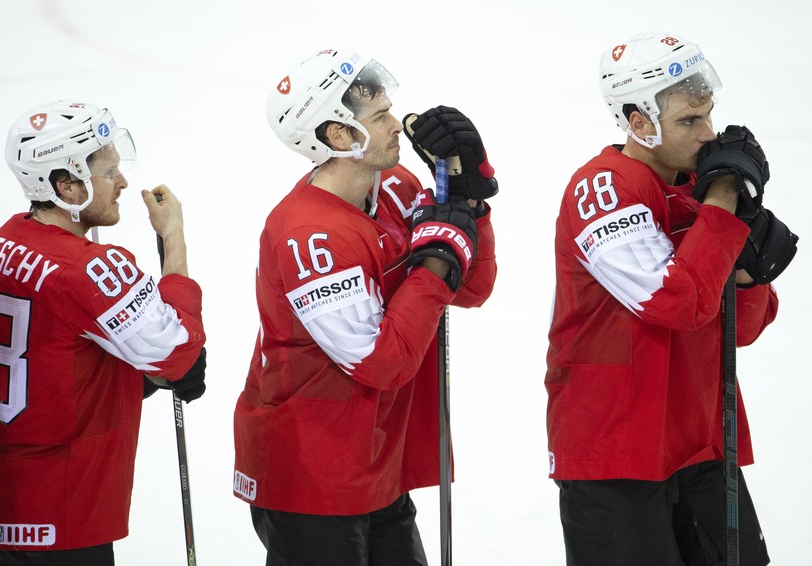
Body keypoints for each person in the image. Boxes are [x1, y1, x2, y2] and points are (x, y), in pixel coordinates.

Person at [233, 49, 498, 564]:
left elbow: (472, 288)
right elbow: (382, 360)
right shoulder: (311, 236)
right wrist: (436, 263)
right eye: (379, 117)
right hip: (311, 475)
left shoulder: (394, 188)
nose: (397, 124)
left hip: (376, 461)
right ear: (338, 135)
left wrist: (469, 200)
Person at [545, 32, 798, 565]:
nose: (709, 135)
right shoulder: (603, 188)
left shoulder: (696, 190)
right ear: (639, 122)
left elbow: (740, 330)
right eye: (689, 121)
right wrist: (725, 200)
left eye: (709, 115)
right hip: (616, 449)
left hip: (701, 439)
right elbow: (678, 302)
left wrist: (750, 276)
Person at [0, 100, 208, 566]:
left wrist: (135, 379)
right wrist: (174, 241)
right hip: (54, 500)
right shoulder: (87, 268)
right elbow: (179, 352)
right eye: (108, 173)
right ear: (66, 186)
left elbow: (56, 358)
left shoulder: (4, 239)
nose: (123, 182)